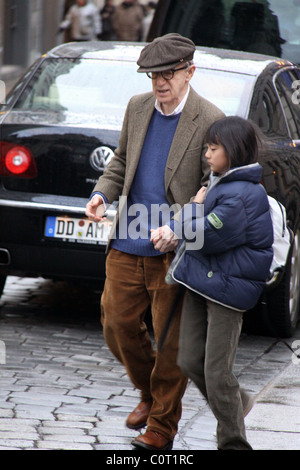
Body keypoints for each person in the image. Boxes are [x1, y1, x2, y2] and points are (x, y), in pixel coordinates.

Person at [85, 33, 224, 450]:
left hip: (174, 250)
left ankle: (162, 426)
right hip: (128, 239)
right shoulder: (138, 106)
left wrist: (177, 228)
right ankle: (149, 394)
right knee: (117, 325)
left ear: (190, 72)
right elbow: (122, 161)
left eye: (168, 74)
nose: (159, 83)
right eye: (152, 75)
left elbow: (210, 189)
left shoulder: (210, 119)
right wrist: (101, 194)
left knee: (171, 343)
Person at [163, 116, 273, 450]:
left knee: (216, 373)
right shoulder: (220, 182)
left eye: (214, 148)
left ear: (235, 151)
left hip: (228, 291)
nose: (207, 154)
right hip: (204, 281)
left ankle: (234, 443)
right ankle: (238, 401)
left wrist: (192, 209)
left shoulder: (241, 193)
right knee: (190, 361)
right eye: (207, 148)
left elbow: (206, 236)